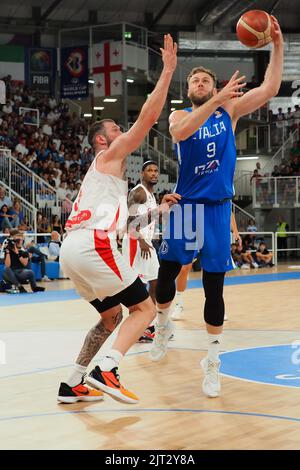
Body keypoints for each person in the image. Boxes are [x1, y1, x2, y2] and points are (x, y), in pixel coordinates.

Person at [149, 17, 283, 399]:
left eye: (206, 82)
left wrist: (277, 44)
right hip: (186, 205)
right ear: (189, 90)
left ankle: (212, 361)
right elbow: (180, 133)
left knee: (214, 286)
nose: (201, 85)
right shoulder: (181, 114)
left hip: (216, 209)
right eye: (195, 82)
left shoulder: (230, 111)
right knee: (167, 273)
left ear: (213, 86)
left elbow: (271, 86)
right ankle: (162, 323)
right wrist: (216, 100)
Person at [57, 34, 179, 404]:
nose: (120, 132)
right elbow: (147, 118)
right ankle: (108, 369)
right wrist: (168, 70)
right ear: (101, 141)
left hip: (73, 250)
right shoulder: (108, 158)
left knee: (110, 317)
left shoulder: (105, 182)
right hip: (91, 245)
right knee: (143, 309)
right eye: (113, 129)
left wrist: (158, 211)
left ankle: (73, 382)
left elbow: (126, 224)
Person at [122, 160, 160, 343]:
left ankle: (148, 323)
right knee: (136, 286)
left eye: (155, 170)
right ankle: (139, 328)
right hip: (135, 242)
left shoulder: (152, 195)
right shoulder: (138, 192)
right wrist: (142, 240)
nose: (153, 173)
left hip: (147, 243)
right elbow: (129, 222)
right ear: (142, 174)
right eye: (149, 170)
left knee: (155, 283)